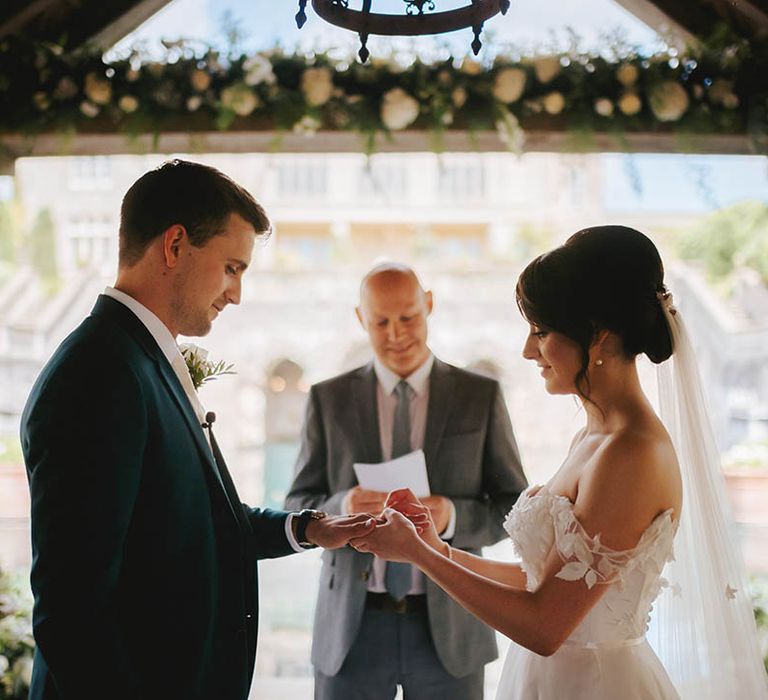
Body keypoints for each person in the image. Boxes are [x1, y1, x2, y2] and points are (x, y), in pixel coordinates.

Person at [352, 226, 768, 699]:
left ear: (599, 336)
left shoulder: (631, 453)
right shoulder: (591, 436)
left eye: (541, 331)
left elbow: (546, 626)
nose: (529, 351)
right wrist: (440, 548)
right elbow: (546, 581)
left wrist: (419, 556)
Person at [20, 159, 375, 700]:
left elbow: (190, 522)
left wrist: (308, 529)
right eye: (232, 267)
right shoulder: (99, 376)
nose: (236, 294)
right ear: (175, 246)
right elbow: (72, 608)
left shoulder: (139, 359)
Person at [284, 263, 528, 699]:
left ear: (429, 305)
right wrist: (342, 506)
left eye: (408, 318)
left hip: (451, 625)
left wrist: (450, 516)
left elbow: (512, 507)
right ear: (362, 320)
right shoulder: (328, 398)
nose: (396, 334)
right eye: (381, 322)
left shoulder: (480, 395)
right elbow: (297, 501)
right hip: (352, 628)